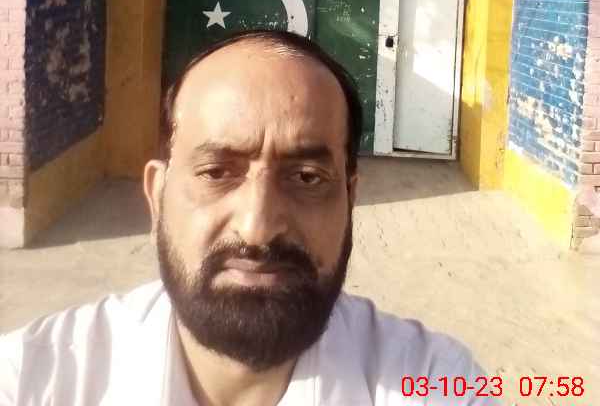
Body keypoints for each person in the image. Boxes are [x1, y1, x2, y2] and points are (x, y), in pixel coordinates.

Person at [0, 30, 502, 405]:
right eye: (216, 172)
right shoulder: (32, 380)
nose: (257, 227)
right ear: (157, 197)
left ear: (350, 201)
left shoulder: (437, 381)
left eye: (306, 177)